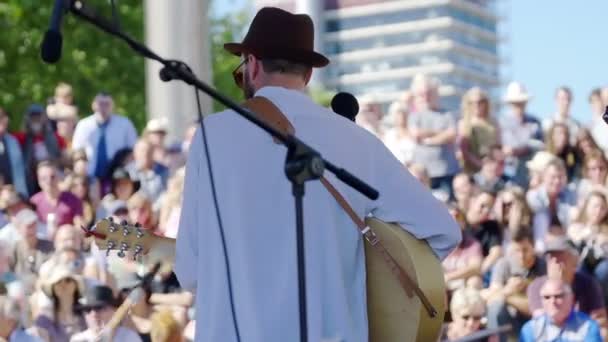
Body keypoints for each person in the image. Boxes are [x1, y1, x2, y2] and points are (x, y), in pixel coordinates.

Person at [173, 7, 460, 342]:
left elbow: (191, 271)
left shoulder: (212, 136)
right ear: (308, 75)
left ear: (251, 64)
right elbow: (443, 231)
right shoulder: (355, 141)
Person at [72, 93, 138, 182]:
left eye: (107, 104)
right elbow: (77, 148)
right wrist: (80, 161)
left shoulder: (125, 124)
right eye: (100, 104)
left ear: (112, 106)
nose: (103, 108)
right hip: (90, 175)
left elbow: (134, 148)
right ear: (93, 105)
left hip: (118, 174)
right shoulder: (83, 125)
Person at [520, 278, 602, 342]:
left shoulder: (587, 326)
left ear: (571, 298)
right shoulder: (531, 329)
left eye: (558, 296)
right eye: (547, 297)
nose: (552, 301)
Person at [69, 285, 141, 342]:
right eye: (88, 310)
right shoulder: (78, 339)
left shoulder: (129, 338)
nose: (93, 314)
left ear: (113, 311)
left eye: (99, 308)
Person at [0, 107, 28, 197]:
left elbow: (19, 173)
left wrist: (23, 196)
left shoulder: (12, 141)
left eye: (5, 116)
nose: (5, 119)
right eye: (1, 117)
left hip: (15, 197)